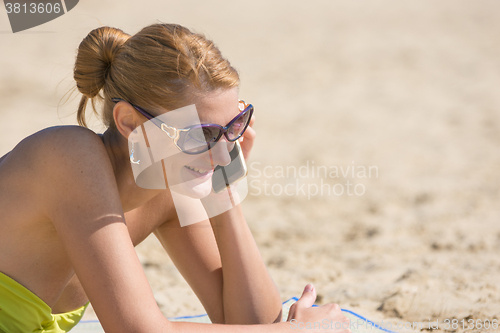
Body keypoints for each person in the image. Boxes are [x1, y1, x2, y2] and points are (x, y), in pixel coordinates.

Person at [0, 23, 350, 333]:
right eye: (201, 134)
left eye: (234, 127)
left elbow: (250, 321)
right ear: (129, 123)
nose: (221, 150)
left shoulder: (166, 183)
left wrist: (224, 192)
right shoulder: (68, 157)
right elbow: (136, 330)